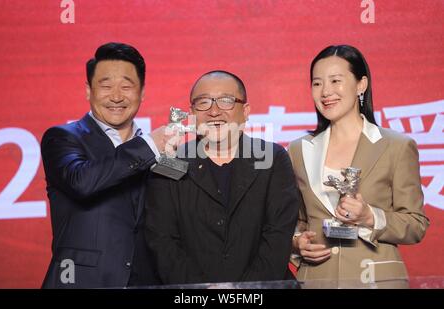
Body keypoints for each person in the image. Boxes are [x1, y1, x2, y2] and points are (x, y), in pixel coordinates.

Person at [288, 45, 429, 288]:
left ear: (361, 85)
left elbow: (416, 223)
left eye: (335, 81)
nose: (326, 92)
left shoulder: (396, 146)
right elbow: (295, 220)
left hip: (377, 278)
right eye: (317, 83)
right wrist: (297, 242)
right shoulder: (298, 150)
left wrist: (370, 216)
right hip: (316, 279)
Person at [41, 42, 179, 288]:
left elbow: (178, 213)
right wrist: (148, 146)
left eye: (126, 86)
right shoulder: (62, 137)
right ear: (88, 90)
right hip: (80, 282)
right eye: (105, 86)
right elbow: (81, 182)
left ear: (142, 92)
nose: (116, 96)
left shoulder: (159, 149)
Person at [145, 70, 302, 285]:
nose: (214, 111)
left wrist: (241, 292)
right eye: (203, 103)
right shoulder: (170, 163)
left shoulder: (273, 159)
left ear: (246, 111)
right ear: (191, 113)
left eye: (226, 101)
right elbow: (162, 241)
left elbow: (278, 237)